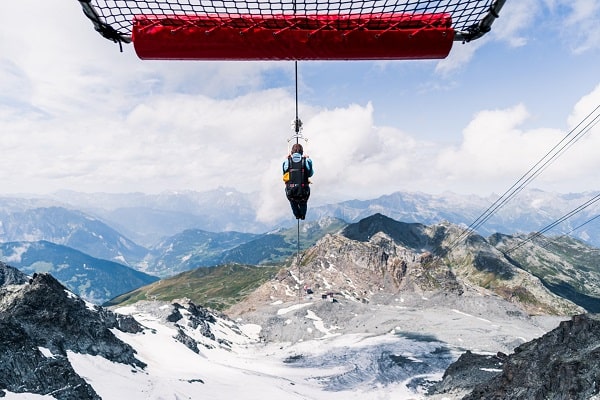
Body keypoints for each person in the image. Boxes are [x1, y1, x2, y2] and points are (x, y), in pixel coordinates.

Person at [282, 143, 313, 220]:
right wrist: (308, 160)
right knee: (303, 202)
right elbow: (310, 174)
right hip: (303, 192)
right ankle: (302, 215)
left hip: (291, 192)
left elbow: (284, 174)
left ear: (292, 152)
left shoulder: (287, 162)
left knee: (293, 202)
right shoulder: (306, 161)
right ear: (302, 152)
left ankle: (297, 215)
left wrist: (288, 159)